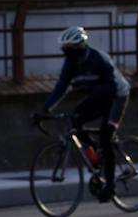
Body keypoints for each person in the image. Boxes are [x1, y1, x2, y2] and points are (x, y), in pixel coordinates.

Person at [33, 26, 131, 202]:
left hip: (116, 96)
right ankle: (95, 157)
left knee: (106, 137)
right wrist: (45, 110)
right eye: (63, 49)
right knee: (74, 119)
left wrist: (88, 87)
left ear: (80, 46)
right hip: (97, 96)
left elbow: (112, 86)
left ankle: (110, 185)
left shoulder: (99, 59)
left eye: (68, 48)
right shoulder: (71, 64)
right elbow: (61, 87)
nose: (65, 52)